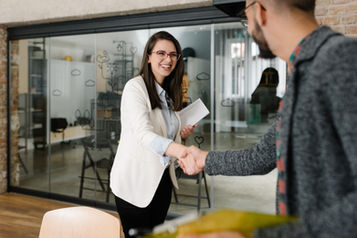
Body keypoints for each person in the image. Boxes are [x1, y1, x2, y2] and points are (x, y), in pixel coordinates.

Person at [178, 0, 357, 237]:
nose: (248, 27)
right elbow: (263, 156)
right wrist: (205, 159)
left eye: (245, 17)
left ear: (259, 12)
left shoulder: (342, 60)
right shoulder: (302, 73)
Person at [110, 31, 196, 237]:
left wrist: (181, 135)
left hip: (162, 179)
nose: (168, 59)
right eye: (161, 53)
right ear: (148, 57)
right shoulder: (135, 88)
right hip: (135, 183)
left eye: (173, 54)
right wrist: (183, 150)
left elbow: (163, 132)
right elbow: (144, 133)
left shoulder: (167, 92)